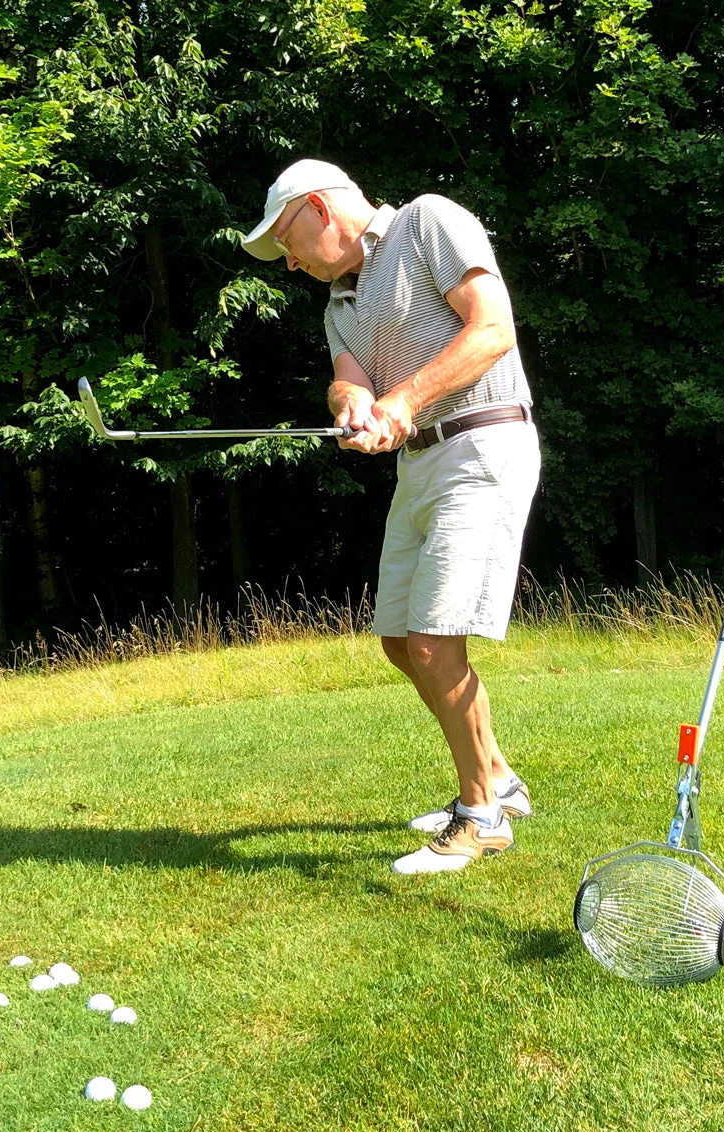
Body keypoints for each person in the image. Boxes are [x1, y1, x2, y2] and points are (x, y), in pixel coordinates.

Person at [242, 159, 540, 875]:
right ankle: (498, 779)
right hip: (420, 465)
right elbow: (348, 381)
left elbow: (492, 328)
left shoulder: (426, 221)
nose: (289, 262)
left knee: (434, 642)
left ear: (318, 208)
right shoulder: (338, 304)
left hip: (482, 443)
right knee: (402, 641)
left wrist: (403, 400)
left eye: (286, 241)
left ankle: (481, 818)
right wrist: (351, 405)